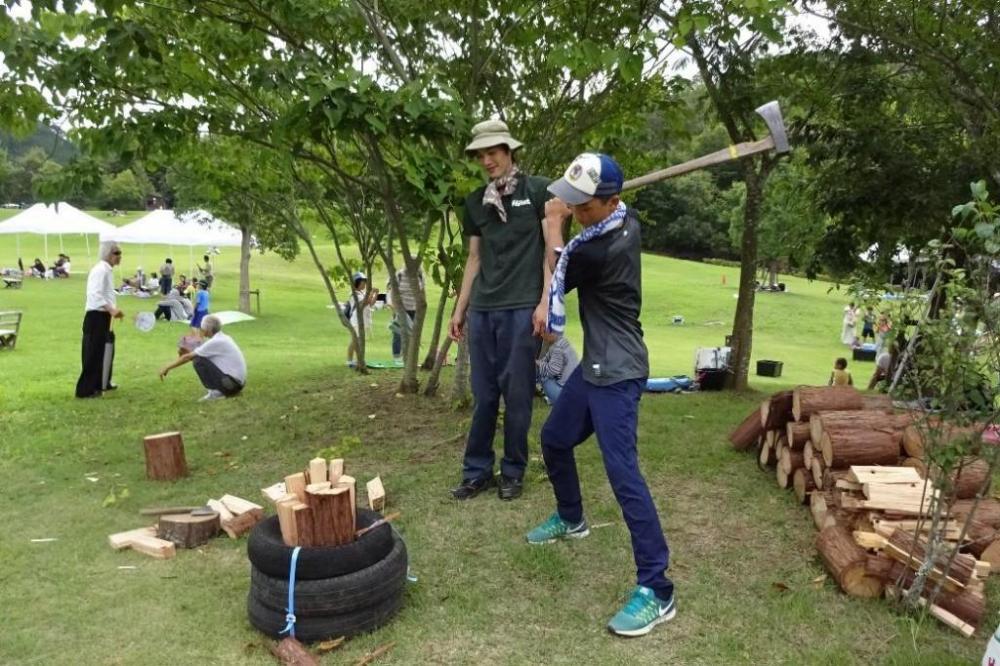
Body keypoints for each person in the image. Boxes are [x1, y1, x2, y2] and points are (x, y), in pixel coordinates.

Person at [523, 153, 675, 637]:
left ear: (609, 203)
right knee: (554, 437)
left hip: (619, 371)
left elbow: (554, 282)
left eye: (581, 207)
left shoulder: (598, 250)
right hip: (595, 366)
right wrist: (576, 203)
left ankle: (658, 589)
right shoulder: (624, 218)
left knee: (623, 475)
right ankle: (572, 517)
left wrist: (552, 225)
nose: (573, 211)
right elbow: (586, 219)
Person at [448, 119, 556, 502]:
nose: (487, 160)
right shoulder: (476, 202)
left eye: (493, 152)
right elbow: (474, 259)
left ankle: (513, 470)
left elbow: (550, 252)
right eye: (481, 154)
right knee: (484, 395)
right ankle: (476, 472)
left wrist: (545, 301)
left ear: (509, 151)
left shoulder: (539, 191)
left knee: (518, 395)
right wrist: (460, 309)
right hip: (483, 309)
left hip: (522, 308)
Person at [75, 242, 124, 398]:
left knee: (107, 349)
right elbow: (95, 294)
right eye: (116, 253)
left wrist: (113, 311)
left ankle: (103, 382)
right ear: (108, 254)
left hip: (105, 316)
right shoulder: (100, 270)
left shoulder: (107, 271)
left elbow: (107, 293)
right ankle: (86, 389)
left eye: (119, 253)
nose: (119, 256)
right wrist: (111, 309)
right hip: (96, 316)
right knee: (94, 352)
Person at [158, 314, 246, 401]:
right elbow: (194, 354)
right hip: (236, 384)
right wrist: (186, 353)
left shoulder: (216, 342)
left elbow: (189, 357)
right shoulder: (223, 338)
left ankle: (216, 393)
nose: (201, 330)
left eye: (202, 328)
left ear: (207, 329)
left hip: (232, 385)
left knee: (198, 361)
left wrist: (167, 368)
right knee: (198, 358)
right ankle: (221, 391)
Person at [387, 267, 423, 364]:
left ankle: (409, 358)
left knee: (412, 334)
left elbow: (422, 291)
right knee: (398, 333)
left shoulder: (419, 275)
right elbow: (391, 291)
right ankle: (397, 358)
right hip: (401, 309)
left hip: (414, 309)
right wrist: (394, 307)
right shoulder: (399, 275)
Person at [536, 331, 579, 404]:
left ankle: (554, 400)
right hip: (575, 390)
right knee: (541, 369)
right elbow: (546, 360)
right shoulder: (562, 342)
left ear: (552, 333)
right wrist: (539, 363)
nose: (541, 335)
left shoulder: (557, 349)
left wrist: (537, 363)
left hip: (565, 394)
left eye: (544, 332)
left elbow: (552, 371)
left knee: (543, 375)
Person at [346, 271, 377, 368]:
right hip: (356, 321)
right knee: (355, 340)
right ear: (357, 283)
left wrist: (375, 294)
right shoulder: (354, 294)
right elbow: (363, 303)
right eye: (362, 282)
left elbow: (371, 303)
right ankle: (349, 360)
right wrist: (371, 292)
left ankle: (357, 359)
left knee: (358, 340)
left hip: (363, 320)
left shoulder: (362, 293)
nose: (364, 284)